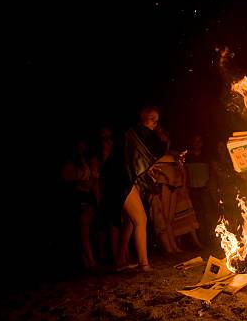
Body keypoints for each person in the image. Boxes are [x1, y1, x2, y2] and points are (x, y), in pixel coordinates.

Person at [99, 106, 169, 271]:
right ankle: (144, 264)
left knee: (131, 221)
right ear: (143, 118)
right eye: (152, 119)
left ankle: (120, 260)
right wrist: (171, 155)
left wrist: (150, 169)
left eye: (157, 120)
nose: (155, 124)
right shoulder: (137, 133)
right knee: (140, 219)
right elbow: (148, 156)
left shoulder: (134, 134)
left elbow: (138, 161)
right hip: (119, 179)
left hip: (119, 178)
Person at [61, 138, 98, 270]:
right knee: (83, 229)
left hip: (87, 195)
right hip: (78, 196)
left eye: (83, 142)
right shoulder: (71, 161)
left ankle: (86, 260)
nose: (82, 145)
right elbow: (66, 177)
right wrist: (80, 180)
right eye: (79, 142)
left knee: (86, 229)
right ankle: (90, 260)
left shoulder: (86, 159)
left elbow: (93, 179)